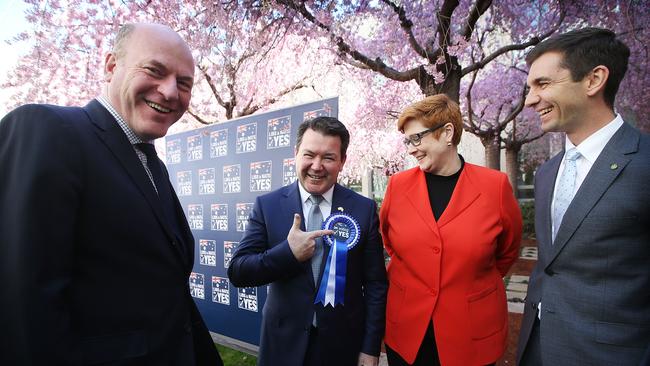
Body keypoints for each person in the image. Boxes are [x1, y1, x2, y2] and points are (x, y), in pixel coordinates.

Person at [0, 23, 223, 366]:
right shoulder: (47, 129)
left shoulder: (152, 165)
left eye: (184, 83)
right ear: (110, 66)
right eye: (154, 70)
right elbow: (23, 305)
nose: (169, 92)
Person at [516, 27, 650, 366]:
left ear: (594, 80)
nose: (530, 100)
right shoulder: (547, 173)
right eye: (529, 88)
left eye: (543, 84)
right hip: (537, 349)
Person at [228, 116, 388, 366]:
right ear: (296, 154)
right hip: (283, 346)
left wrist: (370, 348)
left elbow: (376, 284)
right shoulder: (267, 206)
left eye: (328, 157)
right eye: (309, 155)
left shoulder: (363, 210)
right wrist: (287, 253)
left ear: (342, 162)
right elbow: (239, 271)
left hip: (342, 346)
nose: (316, 166)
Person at [379, 94, 522, 366]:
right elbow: (391, 243)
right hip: (408, 331)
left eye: (417, 138)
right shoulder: (397, 186)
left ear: (447, 133)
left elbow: (507, 252)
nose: (411, 149)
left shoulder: (495, 186)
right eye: (407, 141)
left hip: (470, 334)